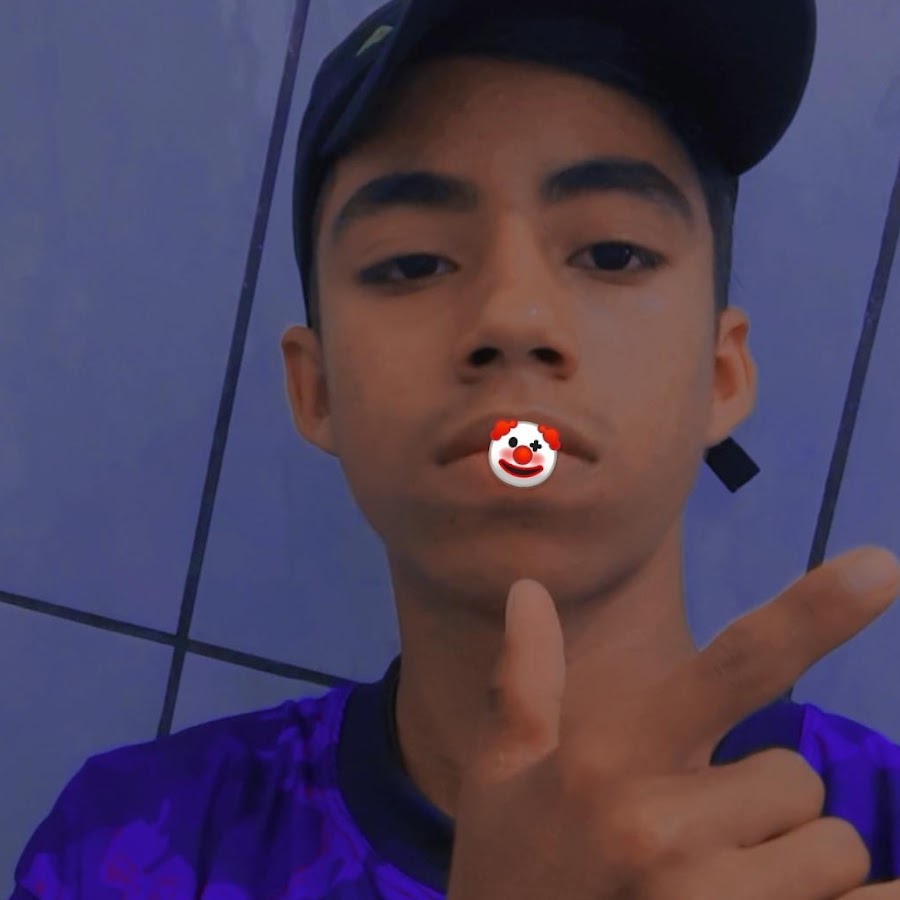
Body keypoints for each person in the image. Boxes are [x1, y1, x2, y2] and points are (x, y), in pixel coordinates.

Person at [11, 1, 900, 898]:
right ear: (317, 390)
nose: (513, 317)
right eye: (413, 264)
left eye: (612, 253)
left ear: (720, 375)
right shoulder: (125, 849)